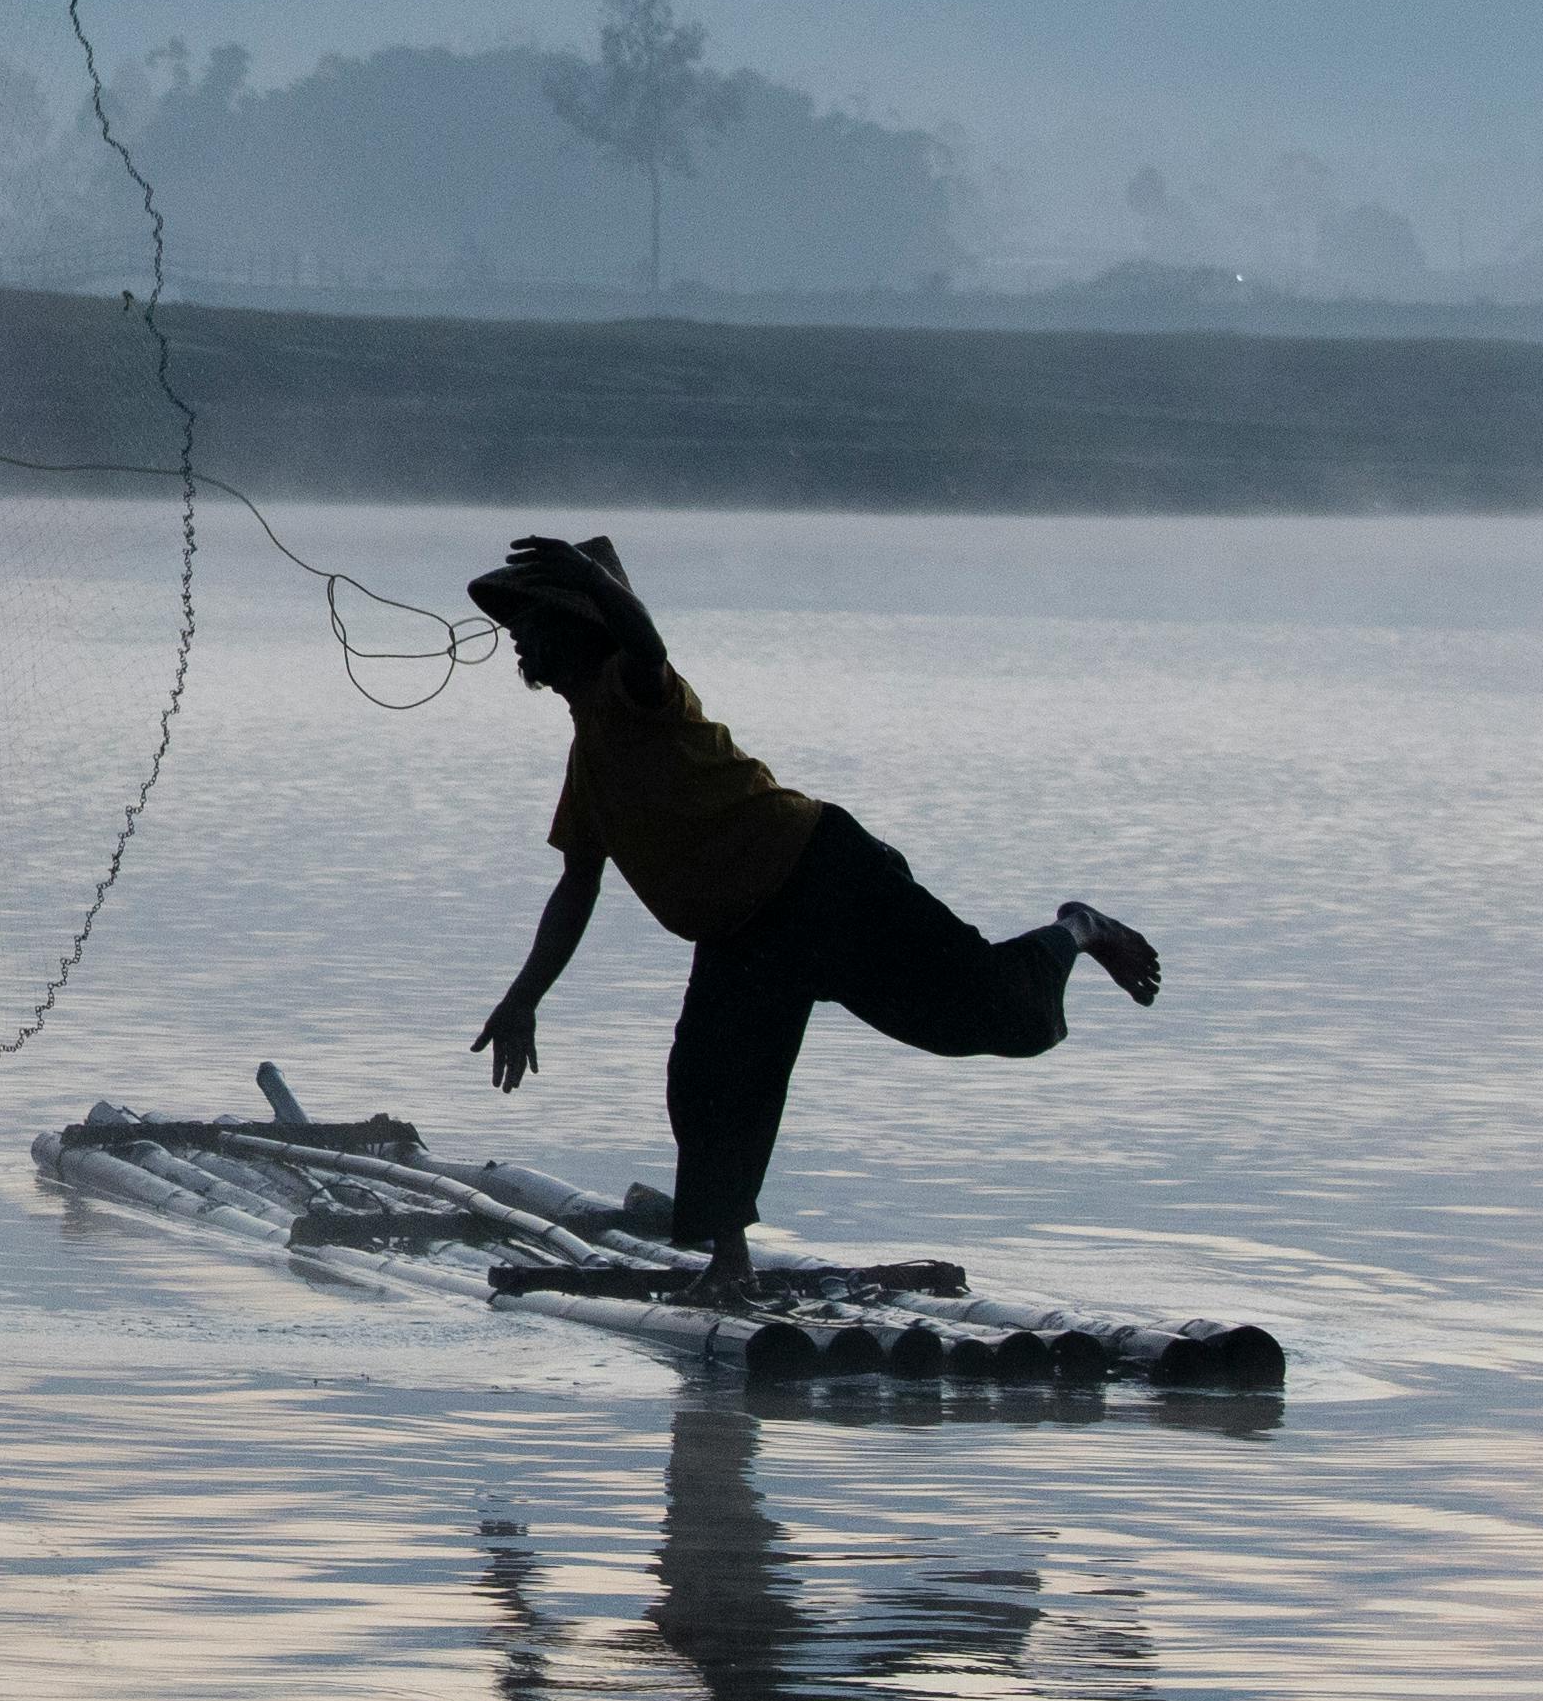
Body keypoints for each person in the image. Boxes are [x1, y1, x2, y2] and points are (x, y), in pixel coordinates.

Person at [459, 532, 1158, 1291]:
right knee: (706, 1084)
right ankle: (729, 1266)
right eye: (515, 626)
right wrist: (523, 998)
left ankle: (1079, 928)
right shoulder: (587, 749)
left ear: (580, 624)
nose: (517, 641)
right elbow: (576, 887)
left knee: (990, 1016)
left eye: (530, 622)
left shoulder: (633, 687)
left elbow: (647, 643)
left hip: (824, 879)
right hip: (740, 935)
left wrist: (591, 579)